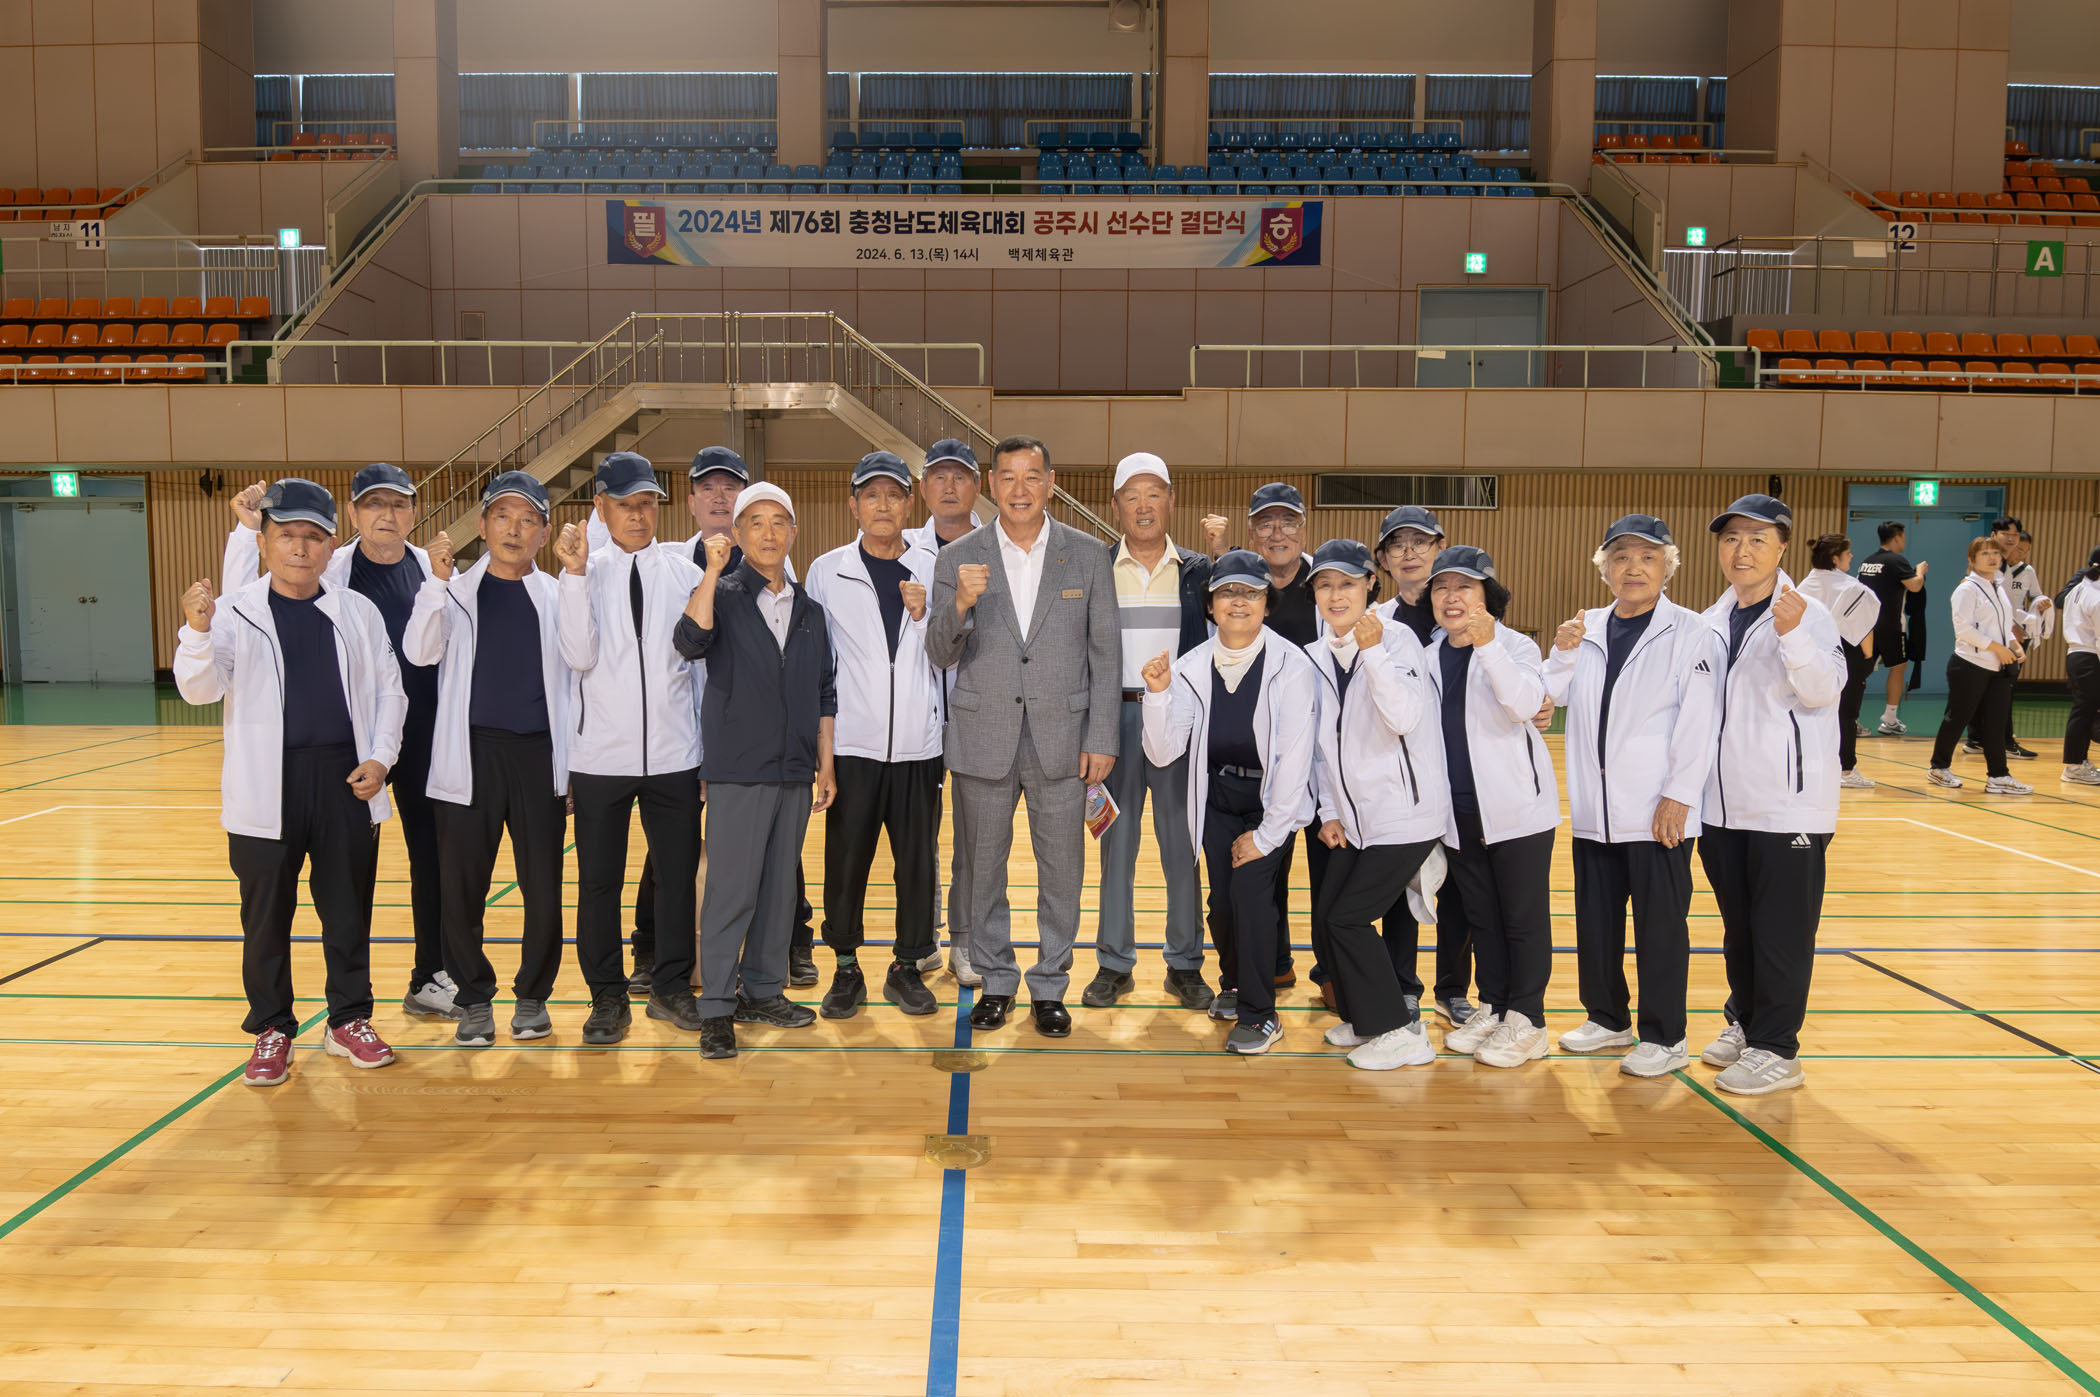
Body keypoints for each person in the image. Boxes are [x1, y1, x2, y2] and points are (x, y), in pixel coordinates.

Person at [177, 478, 406, 1086]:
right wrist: (197, 632)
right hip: (265, 786)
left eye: (312, 537)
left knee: (347, 913)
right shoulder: (233, 612)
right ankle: (272, 1027)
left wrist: (381, 759)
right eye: (286, 536)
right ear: (264, 542)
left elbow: (391, 692)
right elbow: (199, 691)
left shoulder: (357, 612)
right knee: (265, 918)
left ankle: (348, 1019)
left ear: (331, 544)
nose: (300, 548)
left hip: (345, 781)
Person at [223, 465, 454, 1021]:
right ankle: (289, 1019)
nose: (386, 515)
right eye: (373, 504)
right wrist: (244, 533)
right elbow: (242, 605)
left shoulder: (434, 569)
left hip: (420, 733)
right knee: (325, 891)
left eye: (398, 504)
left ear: (414, 512)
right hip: (353, 743)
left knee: (434, 859)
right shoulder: (330, 566)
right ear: (351, 514)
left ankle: (430, 976)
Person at [925, 434, 1120, 1039]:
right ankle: (997, 980)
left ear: (1050, 483)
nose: (1019, 489)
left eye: (1031, 476)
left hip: (1065, 739)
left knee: (1062, 872)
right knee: (982, 869)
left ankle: (1050, 985)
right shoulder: (959, 557)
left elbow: (1106, 653)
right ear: (991, 484)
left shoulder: (1087, 555)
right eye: (1007, 477)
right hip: (983, 736)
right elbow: (938, 650)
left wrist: (1103, 736)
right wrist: (960, 604)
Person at [628, 447, 818, 994]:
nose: (718, 496)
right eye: (707, 487)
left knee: (778, 852)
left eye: (729, 487)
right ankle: (652, 948)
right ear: (690, 501)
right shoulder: (668, 562)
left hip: (754, 742)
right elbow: (684, 643)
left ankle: (792, 943)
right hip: (681, 731)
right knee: (671, 850)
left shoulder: (777, 568)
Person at [1544, 515, 1724, 1078]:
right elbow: (1547, 699)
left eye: (1648, 557)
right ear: (1605, 569)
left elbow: (1700, 721)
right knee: (1596, 923)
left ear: (1668, 567)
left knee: (1660, 928)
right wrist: (1561, 652)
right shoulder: (1587, 627)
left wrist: (1679, 795)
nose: (1634, 568)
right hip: (1594, 811)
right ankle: (1607, 1018)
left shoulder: (1693, 631)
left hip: (1657, 812)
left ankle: (1666, 1036)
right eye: (1621, 557)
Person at [402, 472, 572, 1047]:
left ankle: (533, 996)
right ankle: (474, 999)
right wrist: (434, 585)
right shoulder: (453, 592)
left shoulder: (558, 595)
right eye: (502, 517)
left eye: (527, 520)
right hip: (470, 754)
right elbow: (419, 652)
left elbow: (578, 670)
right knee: (461, 888)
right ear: (482, 525)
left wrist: (572, 764)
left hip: (539, 755)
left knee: (542, 888)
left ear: (543, 533)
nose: (513, 530)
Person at [675, 483, 837, 1059]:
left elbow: (824, 691)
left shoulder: (811, 611)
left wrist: (825, 765)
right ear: (738, 534)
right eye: (756, 523)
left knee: (778, 889)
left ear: (793, 532)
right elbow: (689, 641)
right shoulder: (721, 594)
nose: (769, 534)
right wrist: (712, 573)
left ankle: (764, 990)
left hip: (795, 770)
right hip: (738, 770)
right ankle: (717, 1006)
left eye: (779, 522)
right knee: (731, 890)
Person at [555, 451, 708, 1045]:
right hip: (600, 758)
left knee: (675, 878)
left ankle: (671, 988)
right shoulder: (582, 572)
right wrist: (573, 577)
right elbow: (577, 656)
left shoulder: (683, 573)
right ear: (601, 507)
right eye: (625, 505)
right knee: (599, 883)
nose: (639, 515)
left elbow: (700, 670)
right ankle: (606, 997)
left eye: (647, 503)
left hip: (675, 756)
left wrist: (703, 750)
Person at [1695, 494, 1846, 1096]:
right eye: (1731, 538)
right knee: (1740, 929)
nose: (1743, 550)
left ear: (1783, 547)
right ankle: (1747, 1020)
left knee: (1781, 932)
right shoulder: (1710, 619)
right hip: (1723, 807)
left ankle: (1778, 1049)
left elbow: (1822, 691)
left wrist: (1792, 635)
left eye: (1758, 539)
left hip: (1789, 806)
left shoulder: (1810, 613)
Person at [1140, 549, 1319, 1054]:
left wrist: (1267, 835)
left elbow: (1294, 760)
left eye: (1251, 593)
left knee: (1253, 898)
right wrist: (1157, 695)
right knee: (1221, 904)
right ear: (1210, 604)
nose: (1238, 602)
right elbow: (1163, 751)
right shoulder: (1190, 667)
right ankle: (1236, 984)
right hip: (1217, 798)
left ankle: (1261, 1015)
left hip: (1270, 801)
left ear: (1267, 603)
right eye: (1227, 592)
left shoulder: (1292, 666)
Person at [802, 453, 942, 1021]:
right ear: (853, 505)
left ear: (909, 504)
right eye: (871, 494)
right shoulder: (826, 571)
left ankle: (907, 967)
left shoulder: (936, 566)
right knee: (846, 861)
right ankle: (846, 968)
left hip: (919, 746)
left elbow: (953, 653)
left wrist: (926, 615)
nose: (883, 505)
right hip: (852, 746)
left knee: (917, 865)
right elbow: (818, 668)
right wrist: (823, 756)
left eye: (894, 494)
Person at [1299, 540, 1447, 1071]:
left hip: (1406, 814)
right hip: (1355, 818)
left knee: (1348, 919)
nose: (1336, 595)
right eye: (1325, 585)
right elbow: (1321, 744)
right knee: (1327, 918)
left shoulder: (1398, 639)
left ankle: (1399, 1031)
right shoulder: (1315, 655)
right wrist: (1329, 811)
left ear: (1369, 586)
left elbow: (1403, 717)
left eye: (1347, 584)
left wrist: (1374, 652)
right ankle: (1367, 1018)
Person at [1089, 452, 1219, 1011]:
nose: (1143, 506)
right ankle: (1113, 963)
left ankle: (1185, 963)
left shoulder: (1198, 571)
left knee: (1181, 844)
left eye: (1154, 494)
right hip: (1112, 720)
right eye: (1132, 496)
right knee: (1115, 845)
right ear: (1115, 506)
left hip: (1177, 717)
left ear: (1171, 500)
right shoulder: (1095, 567)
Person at [1423, 547, 1561, 1070]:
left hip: (1516, 810)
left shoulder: (1516, 646)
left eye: (1464, 587)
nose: (1451, 597)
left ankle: (1529, 1020)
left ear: (1487, 596)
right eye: (1442, 588)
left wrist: (1487, 646)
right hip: (1458, 813)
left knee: (1521, 918)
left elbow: (1523, 705)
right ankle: (1496, 1006)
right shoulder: (1429, 655)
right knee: (1482, 918)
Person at [1370, 504, 1477, 1027]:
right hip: (1401, 777)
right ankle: (1402, 986)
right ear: (1384, 560)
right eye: (1397, 544)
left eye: (1420, 542)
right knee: (1399, 886)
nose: (1409, 553)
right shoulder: (1377, 623)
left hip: (1461, 773)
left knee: (1460, 887)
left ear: (1439, 548)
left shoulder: (1464, 618)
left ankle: (1452, 988)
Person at [906, 438, 986, 988]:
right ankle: (923, 937)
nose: (949, 487)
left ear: (977, 486)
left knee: (974, 837)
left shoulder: (998, 547)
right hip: (918, 714)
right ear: (924, 488)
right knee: (920, 834)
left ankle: (966, 940)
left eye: (960, 476)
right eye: (939, 476)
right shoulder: (905, 550)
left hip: (980, 713)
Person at [1245, 482, 1319, 988]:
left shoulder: (1325, 580)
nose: (1277, 533)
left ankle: (1332, 970)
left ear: (1303, 528)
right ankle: (1276, 963)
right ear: (1253, 531)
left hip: (1325, 747)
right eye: (1266, 523)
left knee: (1331, 864)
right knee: (1269, 860)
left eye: (1287, 522)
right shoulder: (1242, 583)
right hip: (1262, 746)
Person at [1927, 535, 2051, 795]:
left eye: (1995, 553)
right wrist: (1997, 648)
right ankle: (1939, 767)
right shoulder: (1967, 589)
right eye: (1984, 553)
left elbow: (2003, 624)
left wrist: (2014, 645)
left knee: (1996, 722)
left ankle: (1999, 775)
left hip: (1999, 666)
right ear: (1972, 560)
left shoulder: (1997, 585)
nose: (1992, 557)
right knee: (1957, 718)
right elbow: (1963, 629)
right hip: (1970, 664)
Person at [1797, 534, 1882, 790]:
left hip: (1808, 652)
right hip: (1845, 653)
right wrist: (1868, 656)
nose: (1852, 556)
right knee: (1847, 713)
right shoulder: (1852, 587)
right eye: (1848, 552)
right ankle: (1846, 768)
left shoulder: (1805, 584)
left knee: (1810, 711)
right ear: (1835, 558)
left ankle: (1812, 765)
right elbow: (1864, 628)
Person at [1970, 522, 2047, 761]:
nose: (2013, 542)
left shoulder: (2025, 571)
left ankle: (1992, 741)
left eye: (2017, 538)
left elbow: (2033, 597)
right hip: (1989, 639)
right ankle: (1986, 740)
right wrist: (2010, 628)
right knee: (1988, 690)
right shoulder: (1988, 571)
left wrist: (2039, 605)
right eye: (2008, 536)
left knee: (2001, 690)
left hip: (2012, 637)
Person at [1857, 521, 1926, 735]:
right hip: (1891, 626)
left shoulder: (1867, 561)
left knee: (1859, 671)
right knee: (1898, 668)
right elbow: (1915, 586)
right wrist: (1920, 571)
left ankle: (1850, 718)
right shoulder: (1896, 560)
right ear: (1897, 537)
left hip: (1865, 627)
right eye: (1903, 537)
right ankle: (1890, 720)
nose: (1904, 541)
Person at [2062, 546, 2100, 787]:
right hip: (2089, 658)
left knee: (2084, 711)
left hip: (2077, 655)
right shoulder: (2097, 596)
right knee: (2084, 712)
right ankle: (2074, 766)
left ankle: (2079, 762)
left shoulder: (2079, 588)